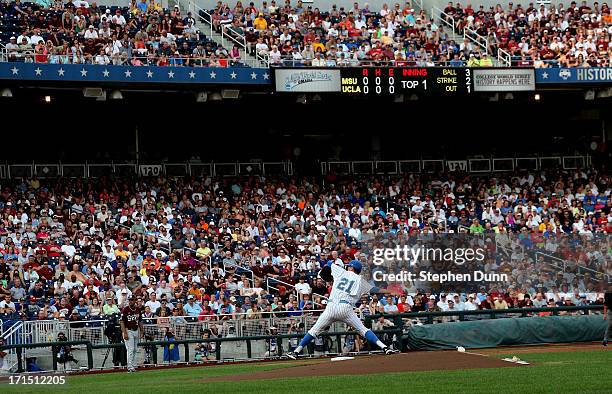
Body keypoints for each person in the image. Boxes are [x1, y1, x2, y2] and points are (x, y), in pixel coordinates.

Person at [286, 260, 398, 359]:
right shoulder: (360, 280)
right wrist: (389, 291)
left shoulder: (341, 272)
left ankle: (296, 352)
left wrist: (332, 268)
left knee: (313, 331)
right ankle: (385, 347)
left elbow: (329, 263)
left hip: (331, 307)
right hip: (346, 308)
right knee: (363, 330)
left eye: (349, 266)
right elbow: (375, 289)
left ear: (351, 268)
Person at [120, 295, 143, 372]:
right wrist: (124, 333)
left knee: (135, 349)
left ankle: (132, 364)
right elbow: (122, 322)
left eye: (132, 300)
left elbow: (140, 321)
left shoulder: (138, 309)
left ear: (135, 300)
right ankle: (129, 366)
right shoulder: (125, 309)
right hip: (128, 330)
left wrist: (142, 331)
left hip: (136, 330)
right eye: (129, 300)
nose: (130, 301)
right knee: (131, 349)